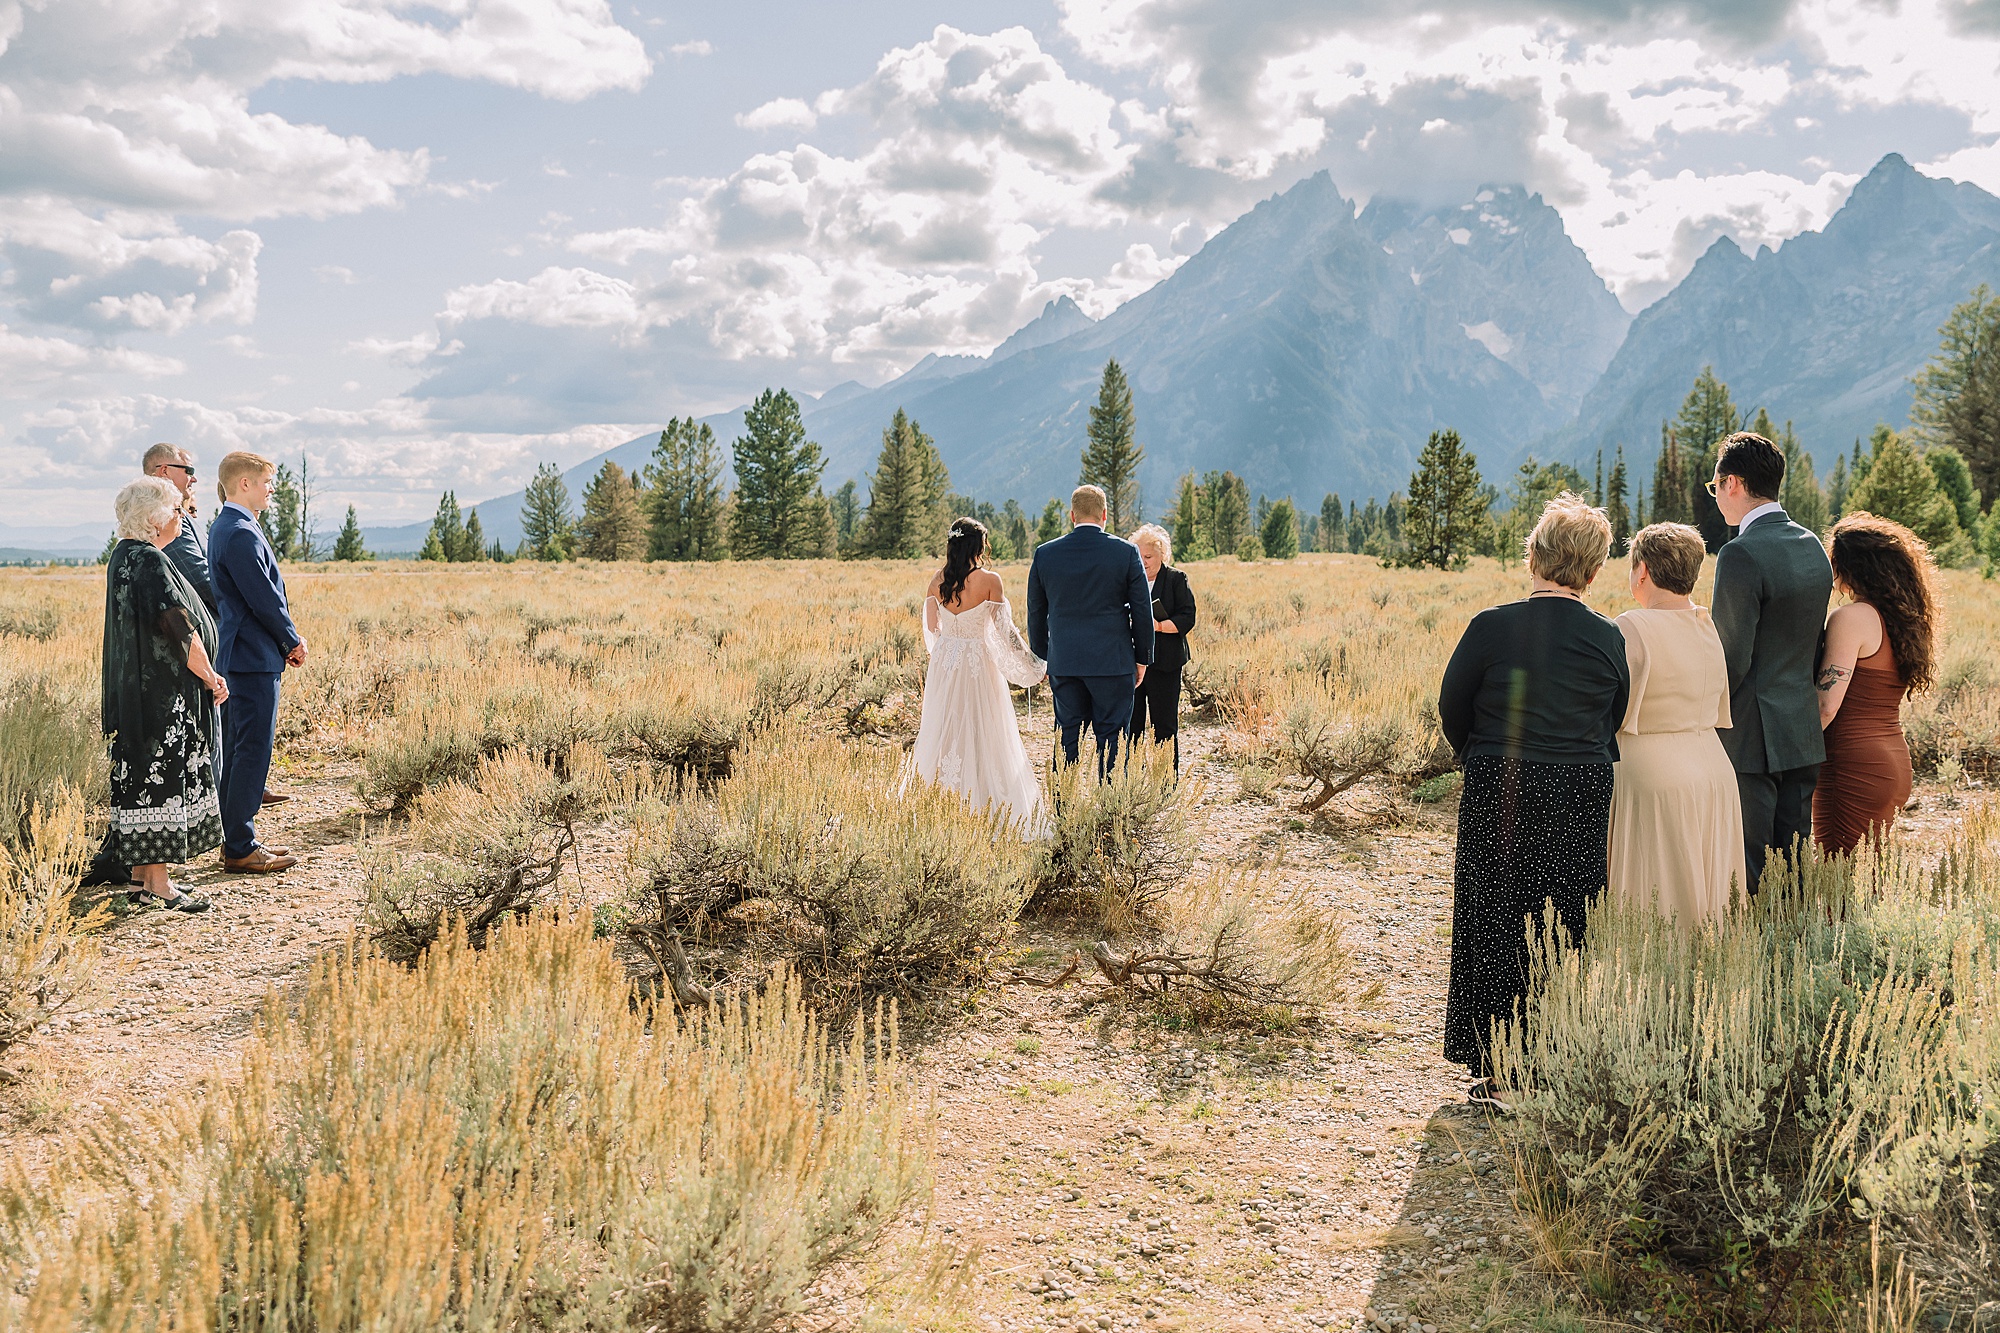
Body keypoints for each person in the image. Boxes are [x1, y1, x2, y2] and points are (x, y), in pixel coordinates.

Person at [1438, 493, 1628, 1087]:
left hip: (1502, 783)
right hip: (1579, 784)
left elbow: (1452, 707)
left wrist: (1479, 753)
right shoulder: (1606, 637)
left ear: (1534, 558)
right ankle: (1552, 1047)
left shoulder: (1491, 626)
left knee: (1492, 909)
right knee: (1565, 912)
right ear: (1594, 570)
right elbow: (1613, 714)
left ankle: (1491, 1056)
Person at [1708, 431, 1835, 893]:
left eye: (1715, 485)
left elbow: (1731, 656)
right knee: (1796, 866)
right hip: (1801, 730)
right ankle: (1799, 957)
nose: (1717, 496)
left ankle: (1759, 962)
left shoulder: (1740, 553)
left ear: (1733, 483)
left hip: (1750, 736)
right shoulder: (1812, 546)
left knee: (1752, 866)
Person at [1607, 523, 1746, 925]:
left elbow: (1614, 706)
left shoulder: (1631, 626)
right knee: (1711, 900)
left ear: (1643, 571)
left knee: (1654, 898)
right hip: (1714, 772)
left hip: (1651, 776)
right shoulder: (1707, 625)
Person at [102, 477, 226, 913]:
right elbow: (178, 629)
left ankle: (139, 883)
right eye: (177, 510)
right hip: (160, 696)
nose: (183, 517)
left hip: (134, 692)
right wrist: (212, 677)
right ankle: (158, 884)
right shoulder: (150, 560)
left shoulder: (123, 555)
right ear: (154, 518)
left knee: (141, 782)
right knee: (162, 782)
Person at [907, 518, 1049, 830]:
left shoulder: (937, 580)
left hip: (946, 663)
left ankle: (940, 799)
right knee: (985, 723)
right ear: (979, 546)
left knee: (946, 724)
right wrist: (1033, 665)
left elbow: (932, 629)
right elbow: (1006, 634)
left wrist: (949, 645)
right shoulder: (990, 581)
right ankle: (984, 799)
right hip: (976, 663)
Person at [1812, 513, 1938, 854]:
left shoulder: (1851, 618)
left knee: (1837, 880)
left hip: (1851, 767)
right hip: (1893, 760)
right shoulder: (1900, 620)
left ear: (1851, 566)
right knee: (1865, 882)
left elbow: (1825, 705)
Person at [210, 452, 303, 874]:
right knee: (251, 750)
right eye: (267, 482)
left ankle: (237, 840)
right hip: (252, 657)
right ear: (244, 483)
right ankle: (241, 847)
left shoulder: (226, 526)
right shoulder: (240, 531)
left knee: (238, 750)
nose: (272, 489)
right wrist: (291, 640)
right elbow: (263, 597)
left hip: (241, 655)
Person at [1027, 485, 1154, 779]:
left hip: (1065, 662)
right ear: (1104, 515)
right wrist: (1143, 657)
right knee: (1112, 739)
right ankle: (1110, 812)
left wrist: (1043, 657)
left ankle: (1064, 807)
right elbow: (1142, 610)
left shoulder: (1045, 554)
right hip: (1113, 661)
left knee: (1066, 737)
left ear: (1072, 515)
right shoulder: (1125, 552)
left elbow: (1036, 610)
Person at [1127, 524, 1196, 773]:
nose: (1143, 562)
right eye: (1139, 556)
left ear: (1162, 555)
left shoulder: (1177, 579)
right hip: (1131, 662)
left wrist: (1157, 626)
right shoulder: (1128, 579)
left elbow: (1188, 617)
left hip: (1165, 663)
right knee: (1131, 725)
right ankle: (1130, 780)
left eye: (1148, 557)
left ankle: (1165, 781)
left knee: (1164, 725)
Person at [142, 443, 217, 616]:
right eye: (189, 471)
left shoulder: (172, 512)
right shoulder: (166, 517)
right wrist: (243, 617)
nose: (194, 479)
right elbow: (200, 578)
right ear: (165, 471)